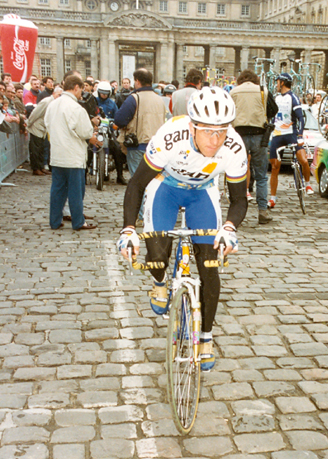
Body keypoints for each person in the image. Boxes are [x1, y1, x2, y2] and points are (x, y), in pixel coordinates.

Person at [117, 87, 247, 371]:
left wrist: (229, 228)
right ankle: (160, 282)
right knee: (158, 255)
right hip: (166, 188)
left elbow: (239, 200)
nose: (215, 140)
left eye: (221, 132)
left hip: (202, 193)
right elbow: (137, 184)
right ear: (192, 126)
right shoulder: (170, 136)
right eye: (208, 132)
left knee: (209, 265)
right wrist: (128, 229)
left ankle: (206, 336)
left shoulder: (234, 146)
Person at [45, 74, 101, 231]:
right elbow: (85, 132)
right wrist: (92, 134)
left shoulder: (52, 105)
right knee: (76, 191)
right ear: (76, 87)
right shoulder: (76, 108)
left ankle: (54, 221)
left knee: (57, 190)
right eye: (81, 90)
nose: (81, 94)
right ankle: (78, 222)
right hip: (73, 155)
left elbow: (47, 124)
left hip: (57, 153)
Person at [231, 69, 276, 225]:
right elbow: (273, 109)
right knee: (261, 175)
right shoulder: (263, 90)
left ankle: (237, 213)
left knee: (237, 174)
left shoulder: (234, 92)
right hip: (259, 135)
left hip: (239, 135)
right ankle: (262, 211)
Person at [268, 73, 313, 209]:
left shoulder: (293, 98)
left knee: (303, 160)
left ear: (283, 83)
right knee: (275, 167)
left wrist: (300, 135)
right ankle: (272, 198)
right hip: (277, 134)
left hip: (291, 133)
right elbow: (271, 116)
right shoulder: (275, 98)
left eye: (278, 82)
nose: (276, 85)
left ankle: (308, 183)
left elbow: (301, 118)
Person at [114, 68, 166, 180]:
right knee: (153, 181)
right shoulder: (160, 99)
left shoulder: (134, 98)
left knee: (138, 183)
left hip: (138, 145)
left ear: (137, 81)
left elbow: (119, 120)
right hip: (156, 146)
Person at [96, 81, 127, 186]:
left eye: (105, 93)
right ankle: (85, 173)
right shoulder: (94, 102)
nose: (103, 95)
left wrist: (114, 122)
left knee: (118, 149)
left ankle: (120, 175)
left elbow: (117, 116)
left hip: (108, 131)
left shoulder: (112, 103)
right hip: (96, 130)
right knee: (88, 149)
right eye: (101, 92)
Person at [28, 86, 63, 176]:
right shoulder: (46, 101)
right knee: (35, 149)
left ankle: (40, 167)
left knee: (41, 149)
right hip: (37, 127)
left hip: (43, 128)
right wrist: (28, 124)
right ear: (54, 94)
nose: (60, 97)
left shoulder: (54, 103)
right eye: (59, 95)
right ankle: (36, 168)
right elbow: (35, 113)